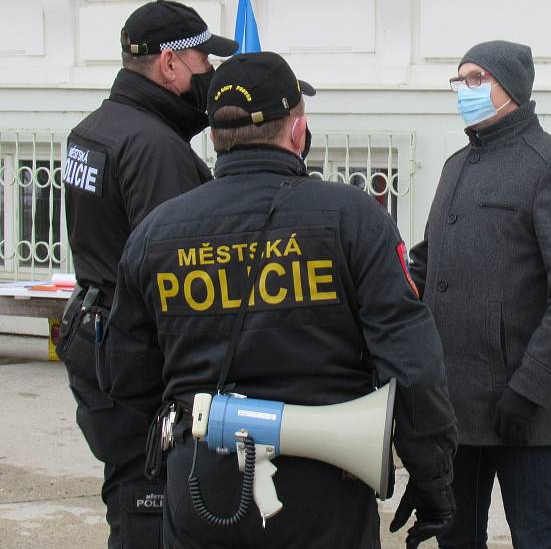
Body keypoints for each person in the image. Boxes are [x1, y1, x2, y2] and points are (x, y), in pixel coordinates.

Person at [103, 51, 458, 549]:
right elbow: (413, 367)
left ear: (214, 136)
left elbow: (125, 376)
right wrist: (432, 477)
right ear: (297, 132)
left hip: (203, 485)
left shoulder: (155, 232)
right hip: (324, 486)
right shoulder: (353, 218)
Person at [410, 40, 551, 548]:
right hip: (453, 402)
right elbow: (431, 262)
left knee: (535, 537)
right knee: (455, 536)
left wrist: (530, 387)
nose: (465, 91)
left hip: (518, 404)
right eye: (460, 81)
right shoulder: (456, 164)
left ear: (512, 88)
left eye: (477, 79)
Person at [57, 0, 237, 549]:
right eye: (205, 62)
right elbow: (180, 275)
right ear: (170, 65)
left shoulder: (95, 129)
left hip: (97, 333)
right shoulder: (156, 149)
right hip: (137, 359)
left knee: (128, 493)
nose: (211, 75)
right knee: (148, 508)